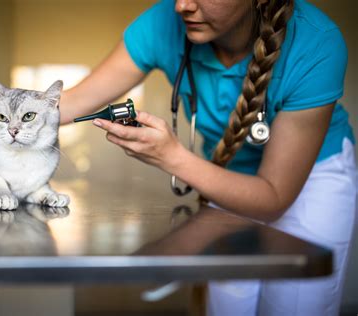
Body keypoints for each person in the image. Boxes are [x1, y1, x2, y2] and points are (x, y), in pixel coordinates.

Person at [60, 0, 357, 314]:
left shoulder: (316, 41)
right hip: (223, 174)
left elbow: (273, 197)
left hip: (312, 179)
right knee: (228, 306)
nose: (182, 6)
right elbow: (71, 103)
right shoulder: (161, 23)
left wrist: (171, 157)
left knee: (294, 305)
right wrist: (5, 107)